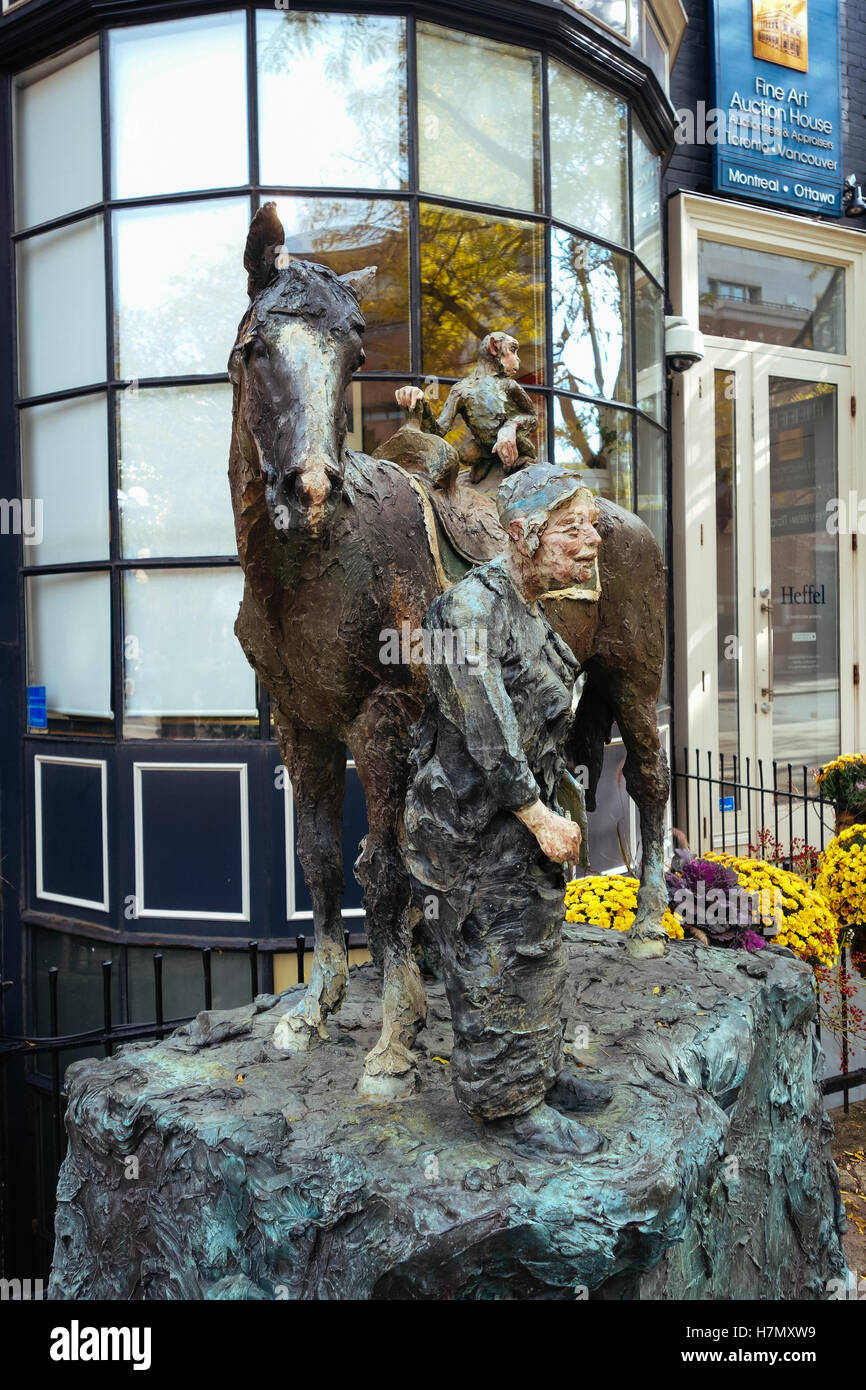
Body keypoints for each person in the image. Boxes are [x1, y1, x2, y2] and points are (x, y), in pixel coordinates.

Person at [401, 463, 611, 1156]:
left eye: (593, 526)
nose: (592, 542)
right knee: (494, 957)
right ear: (523, 535)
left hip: (518, 829)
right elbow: (486, 726)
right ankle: (507, 1105)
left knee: (538, 947)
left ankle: (541, 1072)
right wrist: (538, 815)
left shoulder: (531, 604)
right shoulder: (467, 610)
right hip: (472, 830)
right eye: (572, 528)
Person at [394, 331, 538, 483]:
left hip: (516, 444)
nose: (517, 358)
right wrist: (419, 404)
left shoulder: (509, 385)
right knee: (464, 454)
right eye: (512, 349)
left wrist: (510, 427)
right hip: (484, 449)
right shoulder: (460, 390)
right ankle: (487, 462)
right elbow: (437, 431)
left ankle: (518, 462)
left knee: (520, 443)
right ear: (494, 347)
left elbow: (532, 417)